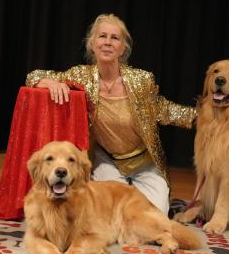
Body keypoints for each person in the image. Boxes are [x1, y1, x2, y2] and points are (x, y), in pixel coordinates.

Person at [26, 14, 196, 216]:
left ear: (123, 47)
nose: (107, 42)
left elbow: (163, 109)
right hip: (108, 161)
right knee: (110, 212)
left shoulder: (142, 80)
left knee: (154, 216)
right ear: (92, 43)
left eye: (115, 38)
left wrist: (199, 117)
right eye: (102, 36)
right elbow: (33, 76)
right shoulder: (80, 76)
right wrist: (52, 83)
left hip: (144, 162)